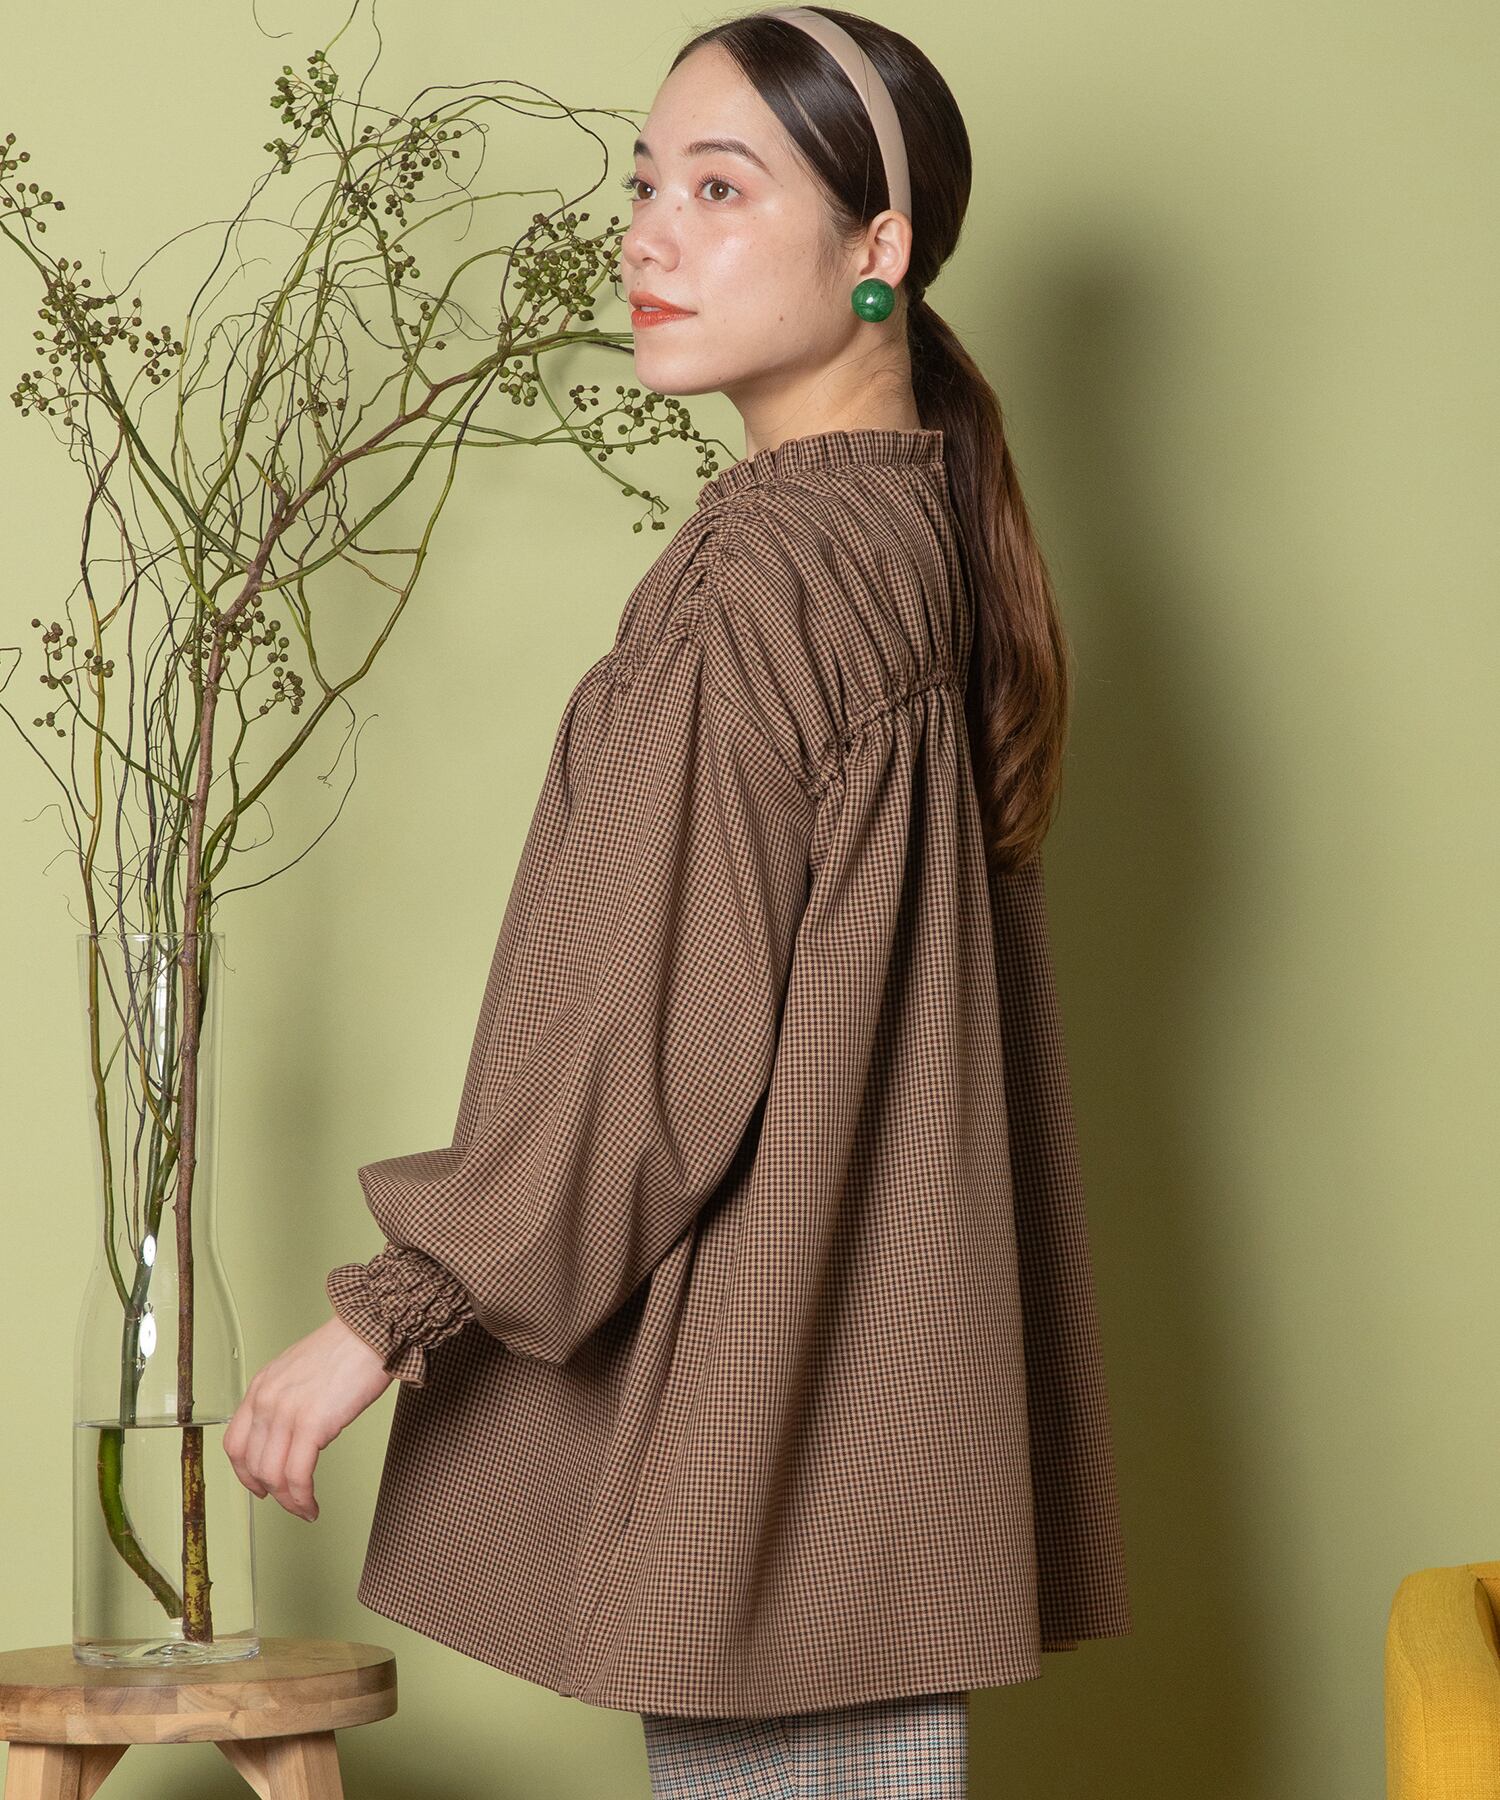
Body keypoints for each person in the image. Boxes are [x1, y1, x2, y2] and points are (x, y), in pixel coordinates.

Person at [224, 7, 1133, 1794]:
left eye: (721, 189)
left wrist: (385, 1315)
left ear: (880, 249)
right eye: (645, 185)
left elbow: (649, 1041)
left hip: (775, 1425)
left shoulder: (770, 575)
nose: (647, 236)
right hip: (875, 1417)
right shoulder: (915, 534)